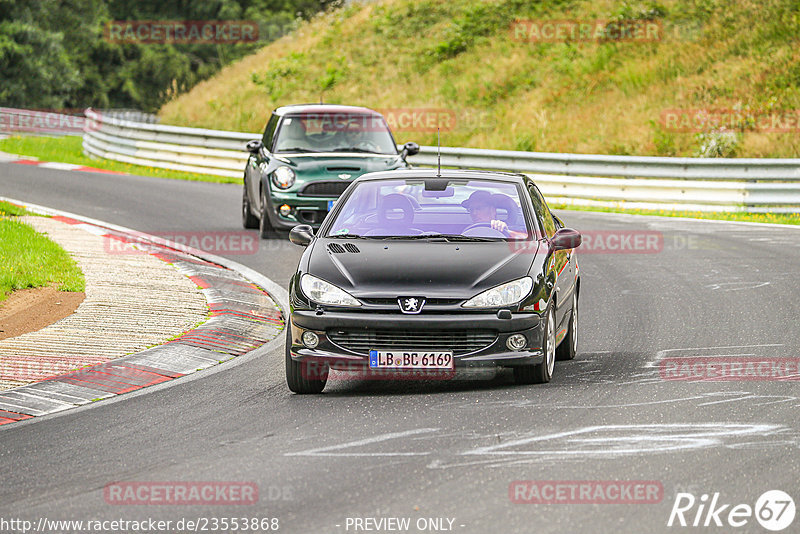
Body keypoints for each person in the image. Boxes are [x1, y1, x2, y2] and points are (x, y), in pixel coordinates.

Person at [461, 190, 527, 238]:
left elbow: (528, 240)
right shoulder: (466, 230)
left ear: (493, 211)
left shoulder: (507, 227)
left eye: (479, 208)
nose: (474, 213)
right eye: (471, 209)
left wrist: (507, 231)